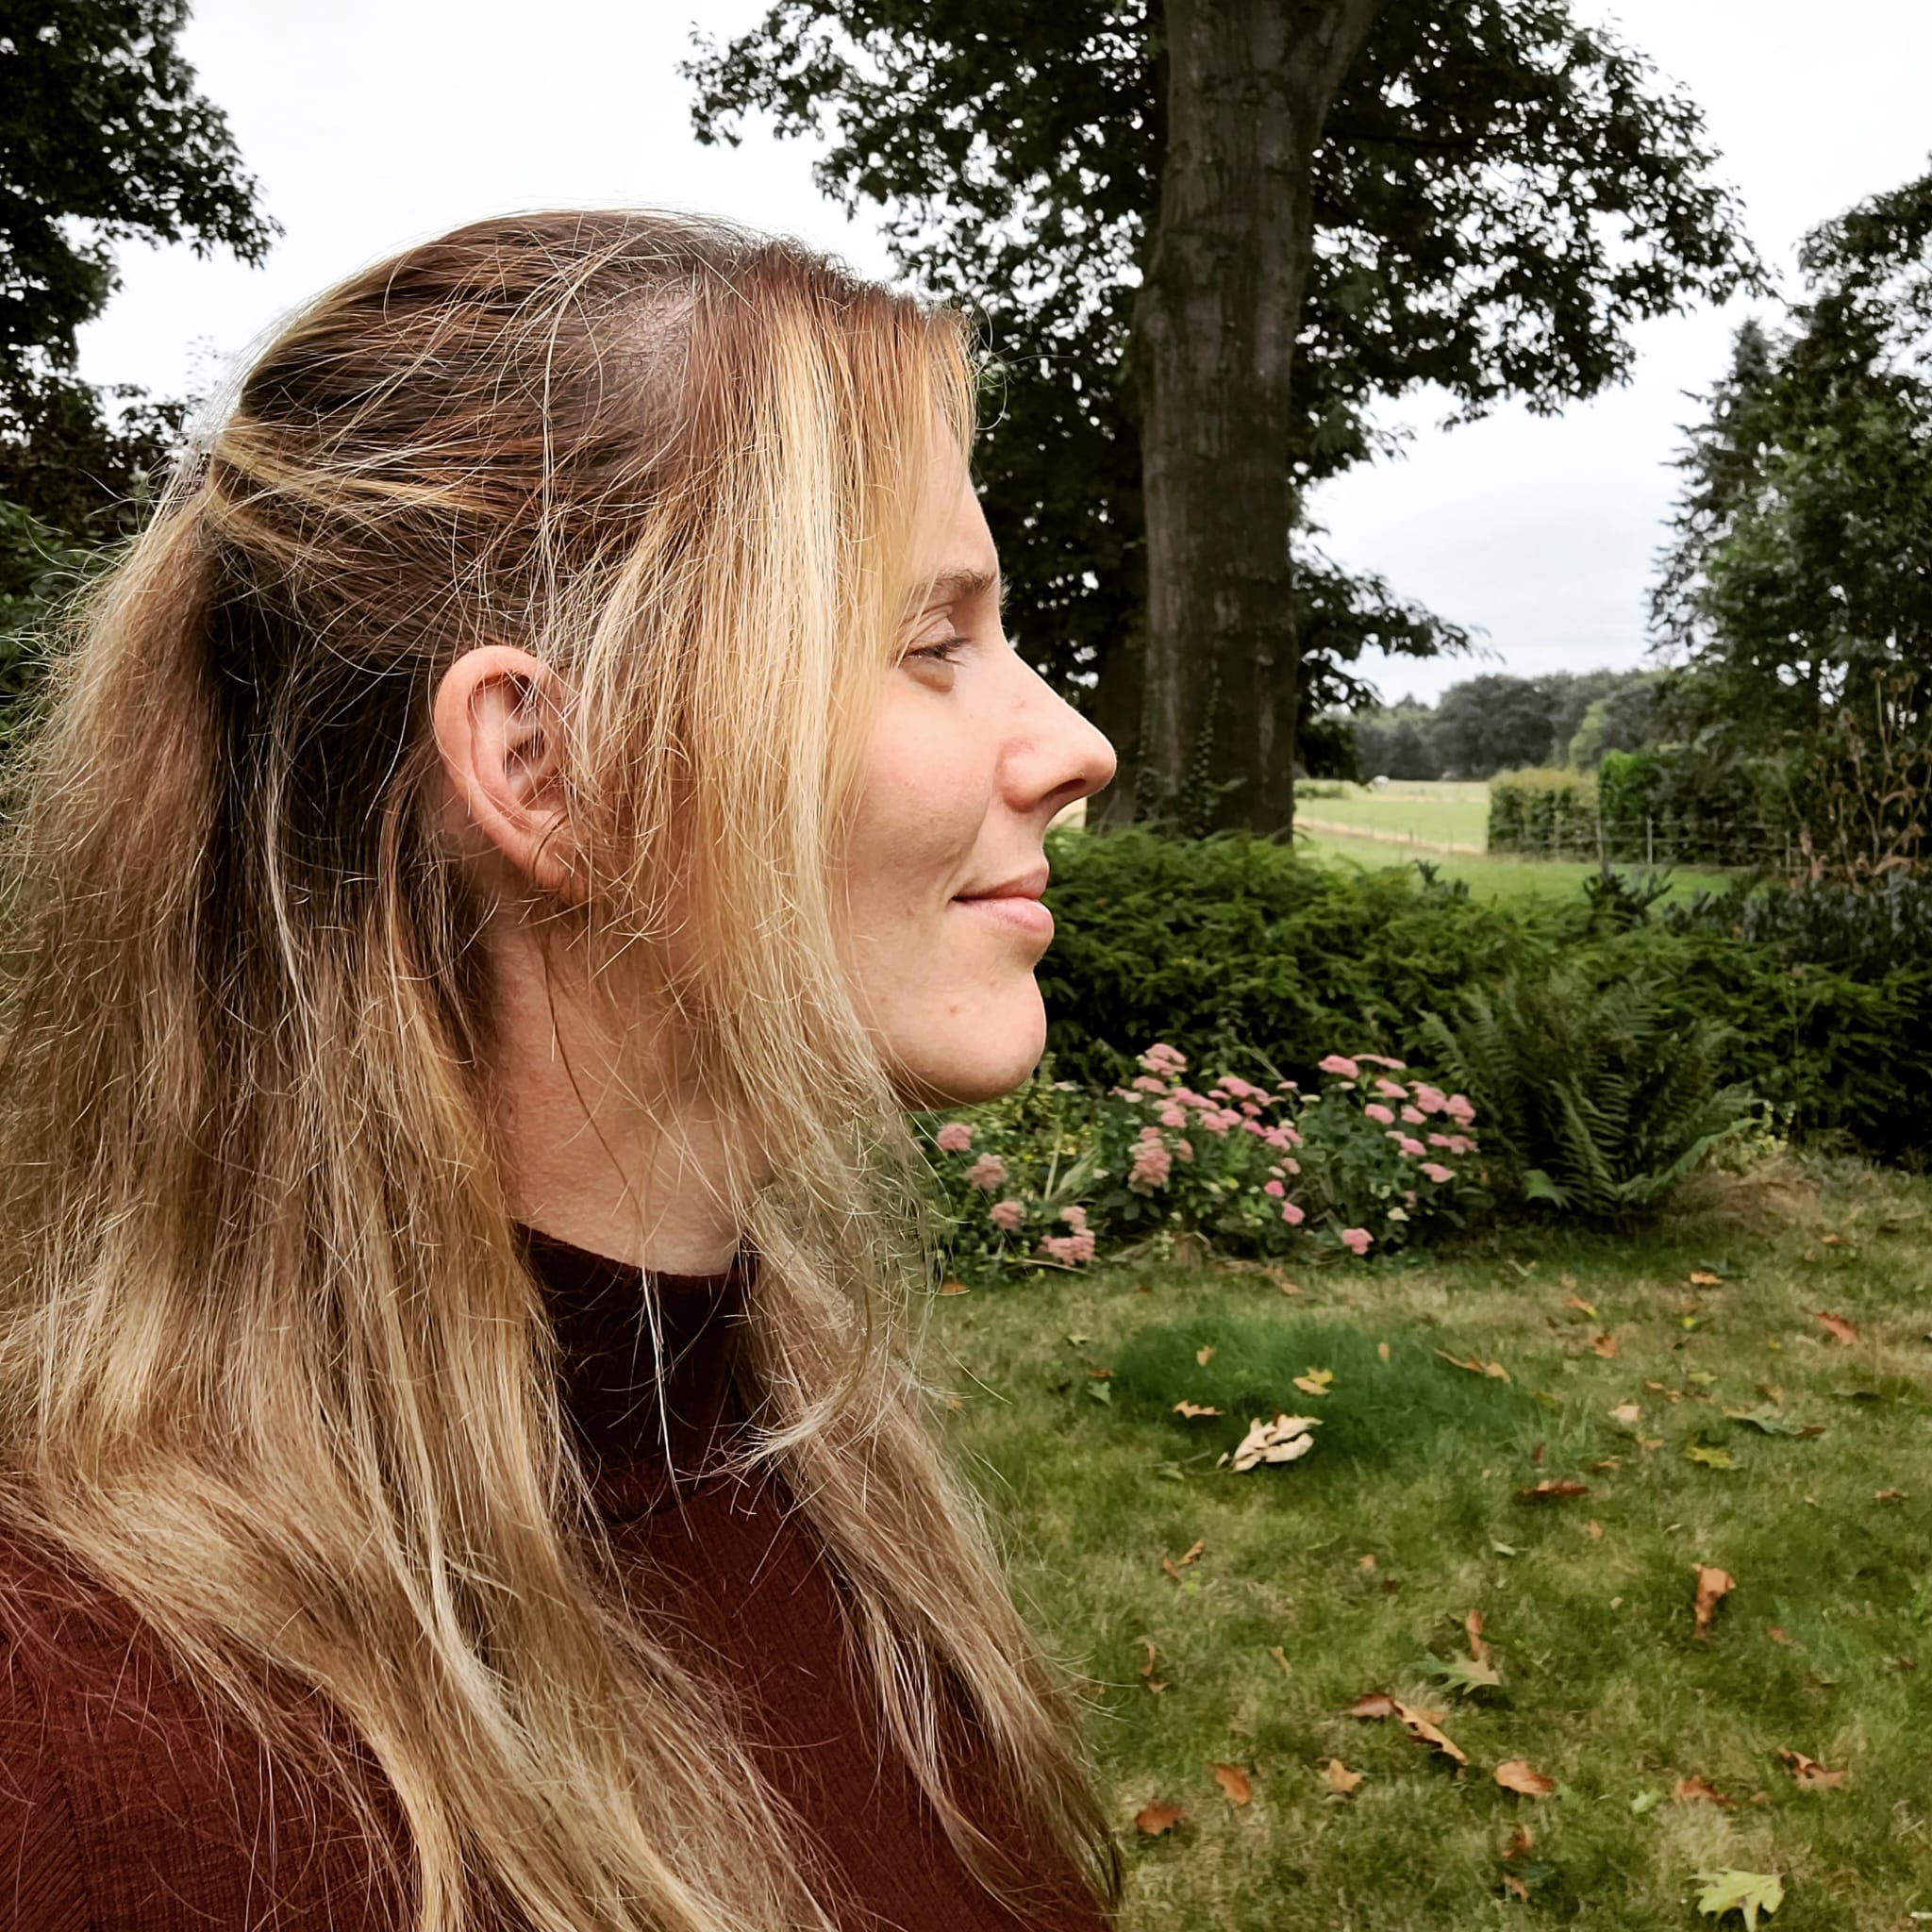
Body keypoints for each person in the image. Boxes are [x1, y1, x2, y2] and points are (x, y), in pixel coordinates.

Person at [0, 210, 1121, 1931]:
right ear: (548, 768)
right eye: (931, 644)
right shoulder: (83, 1762)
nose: (1073, 746)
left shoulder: (816, 1477)